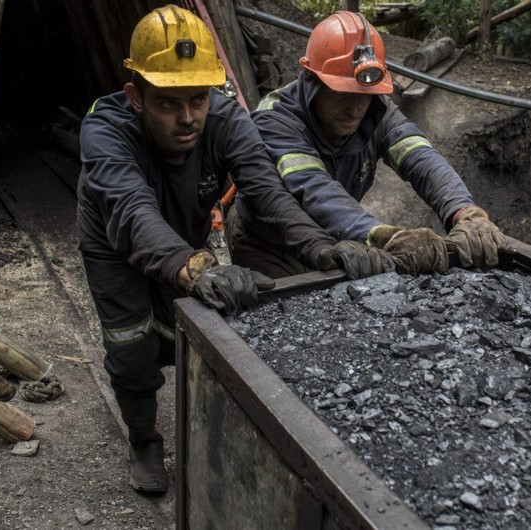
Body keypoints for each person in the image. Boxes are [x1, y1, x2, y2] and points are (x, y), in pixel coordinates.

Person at [76, 5, 391, 494]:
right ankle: (144, 439)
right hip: (114, 240)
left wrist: (323, 249)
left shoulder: (224, 118)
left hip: (184, 228)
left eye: (197, 100)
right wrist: (193, 264)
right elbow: (133, 211)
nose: (187, 118)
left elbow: (267, 191)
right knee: (131, 338)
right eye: (168, 103)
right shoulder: (104, 131)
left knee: (194, 321)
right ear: (135, 97)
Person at [229, 11, 506, 277]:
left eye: (364, 95)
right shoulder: (275, 118)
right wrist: (384, 235)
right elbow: (315, 189)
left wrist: (463, 211)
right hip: (268, 245)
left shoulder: (376, 109)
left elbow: (421, 158)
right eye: (342, 94)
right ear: (312, 81)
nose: (355, 109)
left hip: (337, 240)